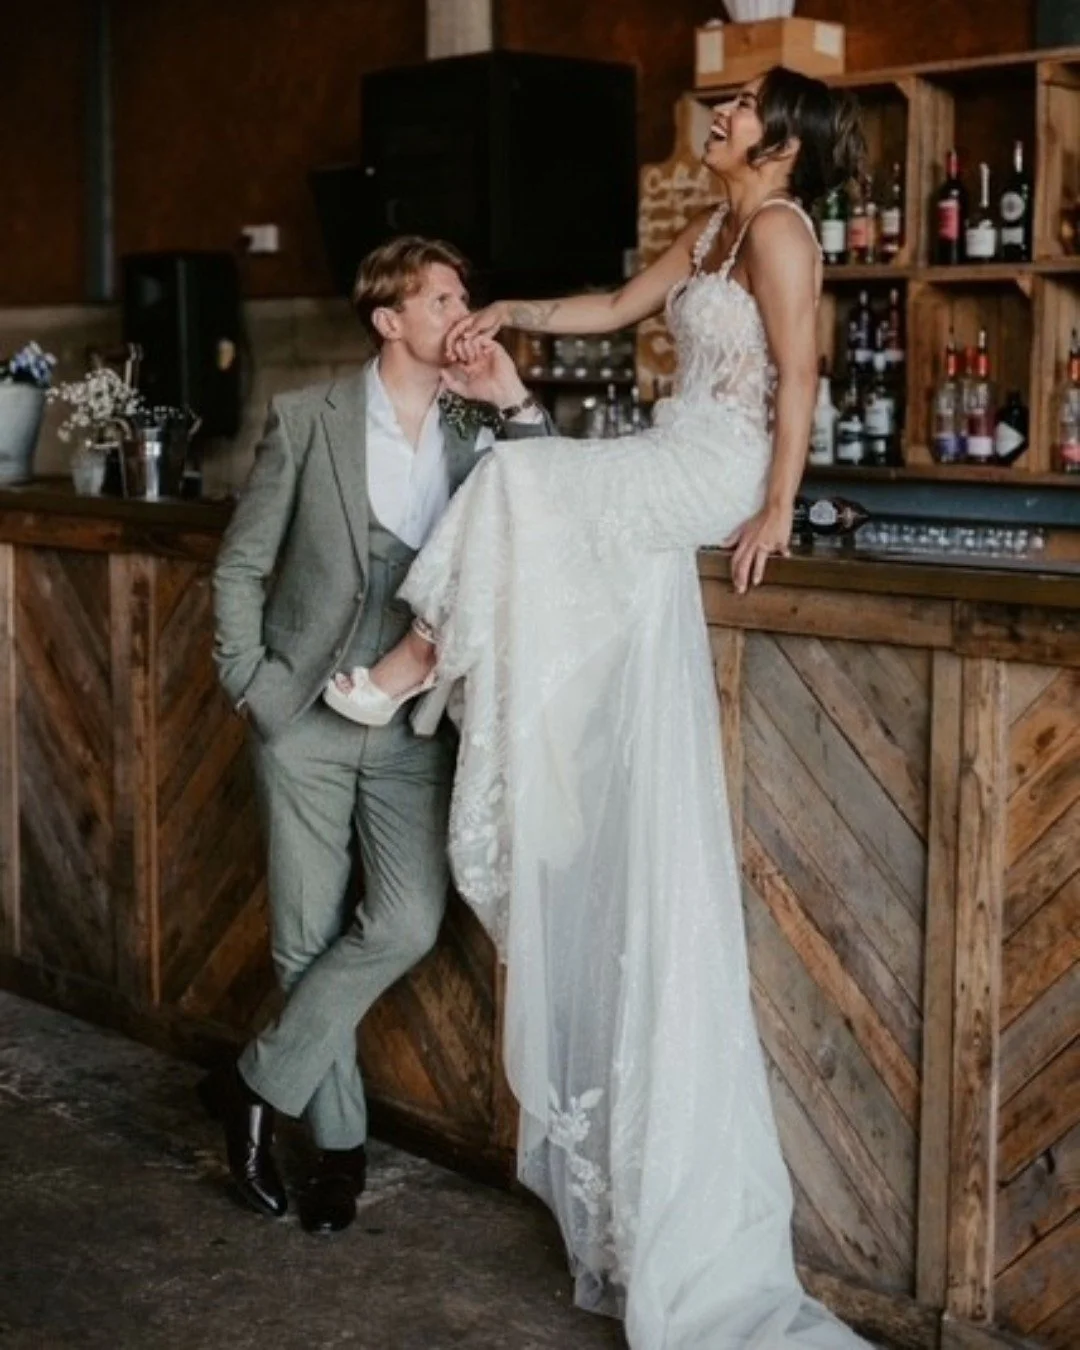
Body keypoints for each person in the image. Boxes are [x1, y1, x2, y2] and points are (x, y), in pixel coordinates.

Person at [324, 68, 875, 1347]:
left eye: (739, 111)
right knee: (534, 492)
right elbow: (618, 304)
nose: (719, 120)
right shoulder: (719, 223)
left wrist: (780, 504)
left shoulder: (782, 234)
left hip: (714, 462)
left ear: (782, 139)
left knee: (524, 492)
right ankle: (430, 656)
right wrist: (518, 306)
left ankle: (417, 660)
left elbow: (797, 379)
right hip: (667, 449)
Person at [207, 236, 552, 1235]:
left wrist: (507, 391)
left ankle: (251, 1088)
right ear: (388, 319)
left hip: (414, 721)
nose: (461, 310)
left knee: (403, 922)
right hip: (303, 716)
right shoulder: (305, 420)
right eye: (441, 297)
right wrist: (257, 692)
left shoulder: (469, 422)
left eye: (463, 294)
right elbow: (239, 568)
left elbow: (550, 506)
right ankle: (341, 1154)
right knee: (305, 939)